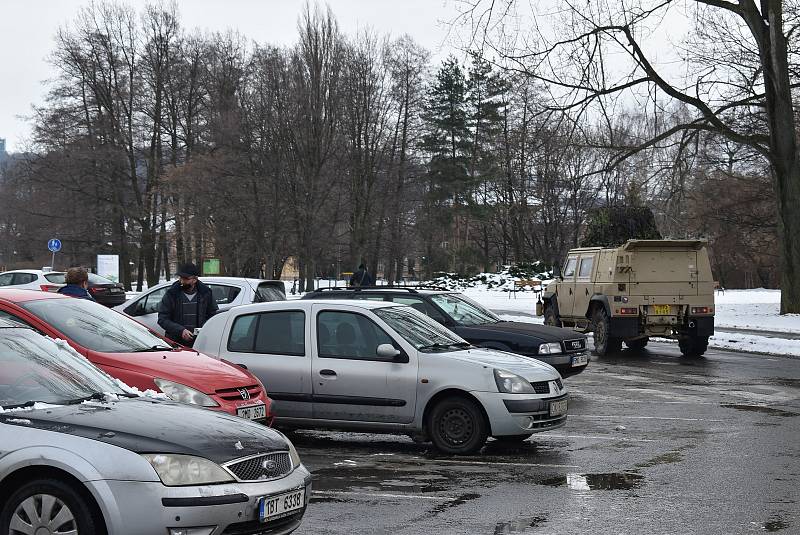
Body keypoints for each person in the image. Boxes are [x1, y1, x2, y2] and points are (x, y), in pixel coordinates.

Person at [157, 263, 218, 346]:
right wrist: (181, 331)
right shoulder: (171, 294)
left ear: (195, 279)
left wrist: (203, 330)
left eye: (186, 279)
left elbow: (213, 316)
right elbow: (162, 319)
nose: (182, 281)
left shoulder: (206, 293)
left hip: (199, 342)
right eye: (181, 278)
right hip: (176, 342)